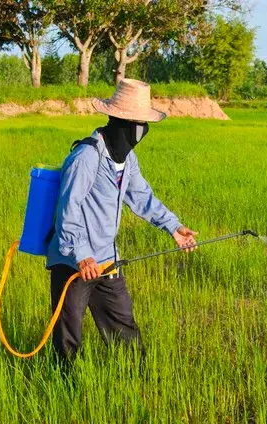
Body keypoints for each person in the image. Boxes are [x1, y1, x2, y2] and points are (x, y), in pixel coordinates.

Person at [46, 79, 198, 364]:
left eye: (144, 123)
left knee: (124, 328)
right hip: (74, 261)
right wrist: (82, 257)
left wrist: (173, 227)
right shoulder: (86, 156)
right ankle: (64, 387)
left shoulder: (127, 160)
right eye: (136, 123)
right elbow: (68, 208)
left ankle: (136, 379)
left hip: (106, 259)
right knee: (68, 336)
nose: (140, 131)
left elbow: (142, 196)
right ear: (118, 120)